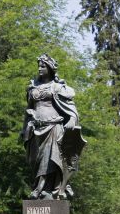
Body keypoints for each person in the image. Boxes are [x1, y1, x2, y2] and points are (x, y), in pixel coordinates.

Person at [20, 54, 86, 200]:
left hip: (54, 127)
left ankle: (42, 189)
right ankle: (40, 187)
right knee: (36, 160)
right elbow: (28, 109)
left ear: (50, 68)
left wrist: (73, 119)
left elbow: (71, 108)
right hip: (35, 129)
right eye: (39, 66)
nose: (39, 68)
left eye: (43, 66)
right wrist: (24, 128)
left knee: (51, 158)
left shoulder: (57, 87)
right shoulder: (33, 87)